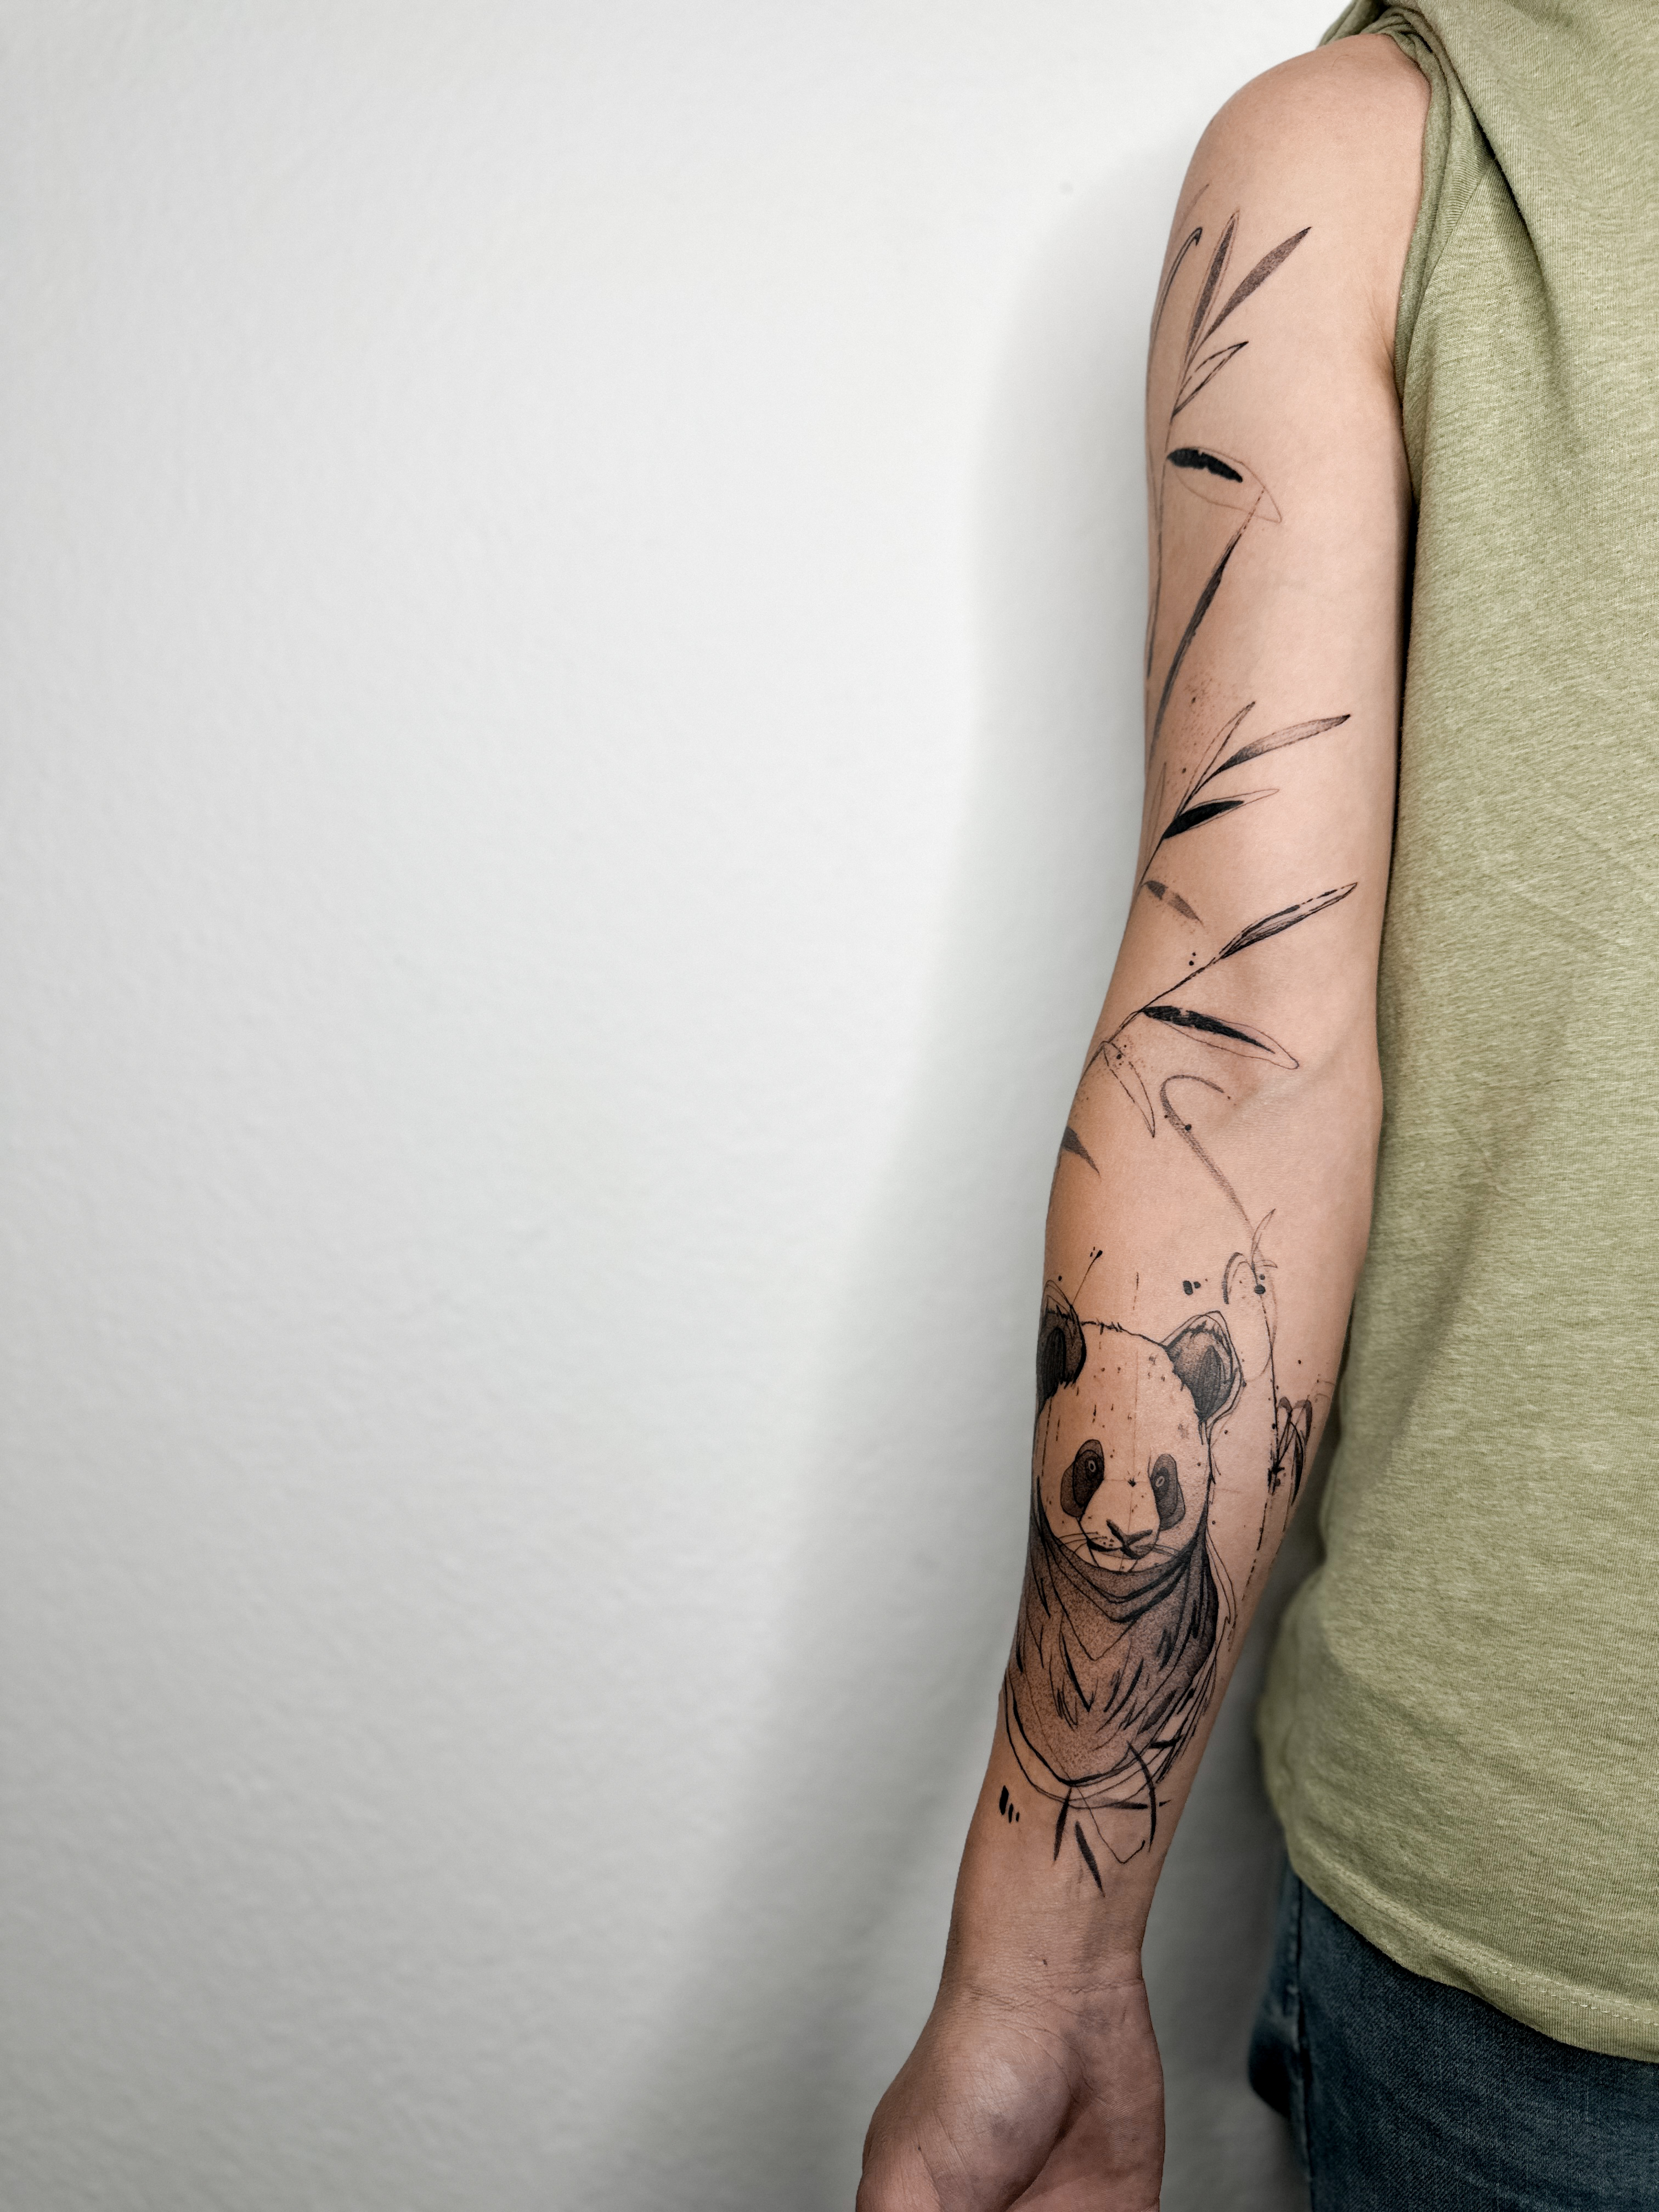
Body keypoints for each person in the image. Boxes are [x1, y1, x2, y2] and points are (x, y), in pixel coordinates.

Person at [857, 3, 1659, 2205]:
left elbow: (1239, 1050)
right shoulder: (1389, 153)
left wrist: (1035, 1970)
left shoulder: (1366, 152)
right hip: (1548, 1958)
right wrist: (1038, 1963)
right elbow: (1235, 1053)